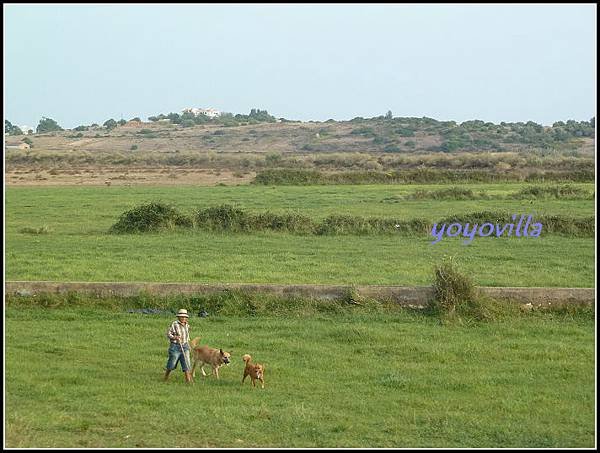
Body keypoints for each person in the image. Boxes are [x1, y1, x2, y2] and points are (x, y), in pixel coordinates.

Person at [164, 308, 193, 383]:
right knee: (172, 363)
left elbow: (187, 335)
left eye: (185, 317)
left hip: (184, 345)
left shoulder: (187, 325)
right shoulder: (174, 324)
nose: (183, 318)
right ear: (178, 317)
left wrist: (188, 344)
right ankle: (166, 376)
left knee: (186, 362)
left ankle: (188, 380)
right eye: (182, 317)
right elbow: (168, 333)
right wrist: (175, 337)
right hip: (175, 346)